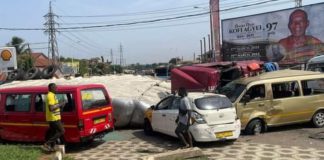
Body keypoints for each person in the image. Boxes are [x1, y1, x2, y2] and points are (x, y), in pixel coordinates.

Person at [42, 83, 66, 152]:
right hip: (53, 118)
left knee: (53, 132)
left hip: (54, 117)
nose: (57, 89)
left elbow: (55, 106)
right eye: (55, 88)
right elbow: (51, 108)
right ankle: (47, 143)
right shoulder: (50, 96)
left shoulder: (53, 95)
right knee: (62, 131)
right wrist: (61, 104)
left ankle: (52, 147)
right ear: (51, 88)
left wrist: (61, 105)